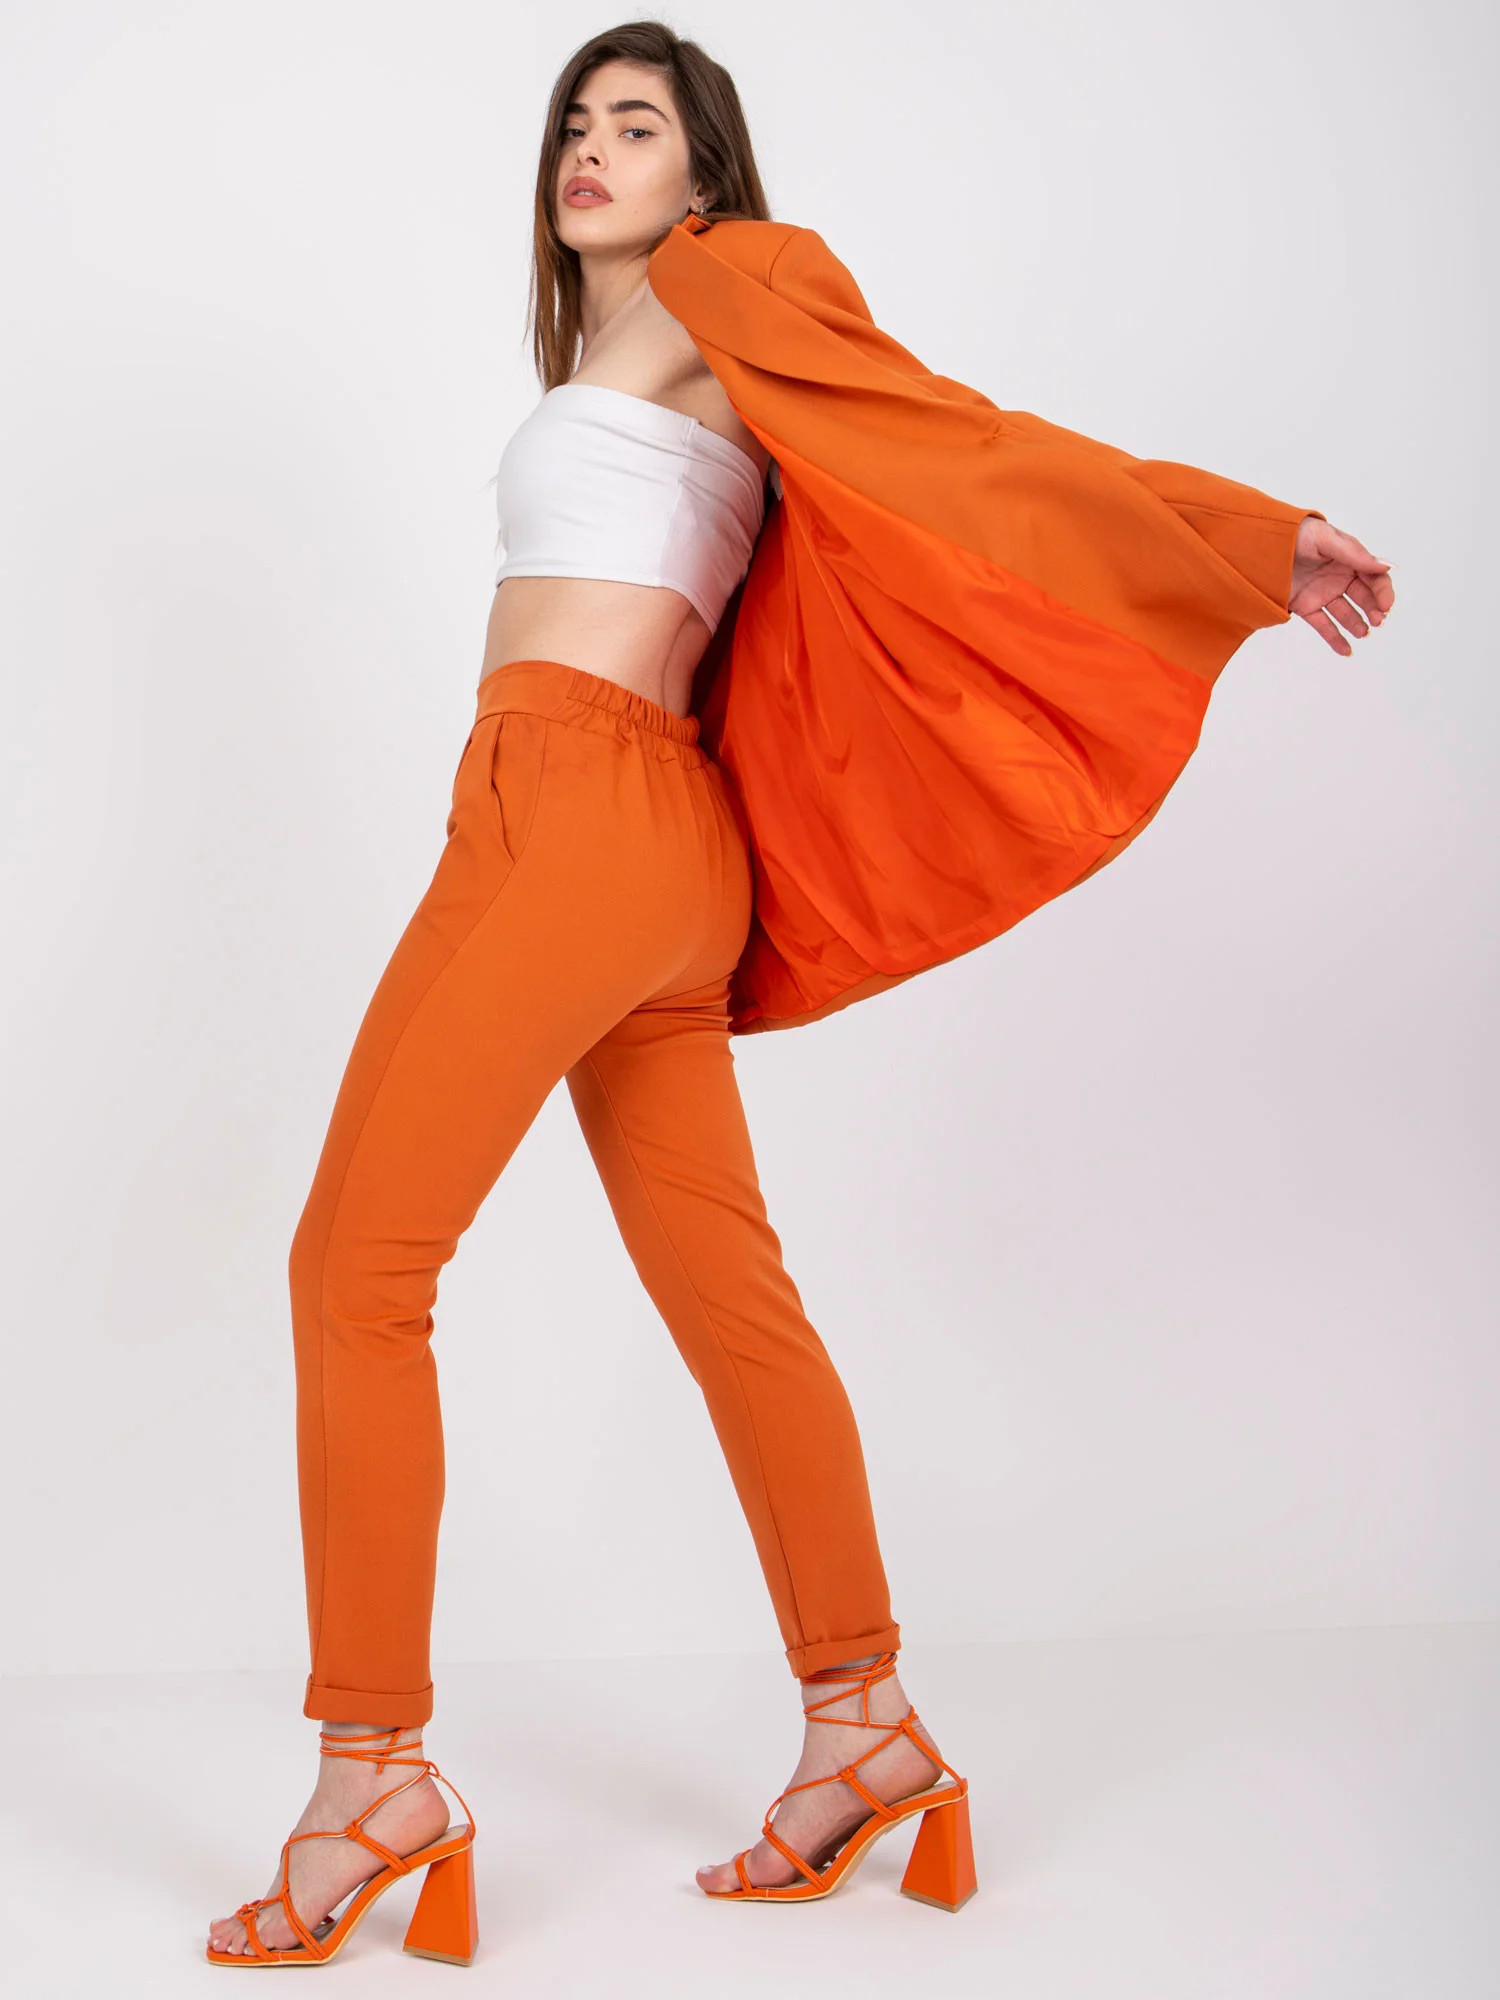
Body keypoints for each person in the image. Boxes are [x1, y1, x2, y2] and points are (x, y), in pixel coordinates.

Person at [207, 20, 1393, 1967]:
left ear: (706, 171)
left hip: (580, 815)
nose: (593, 148)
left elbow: (963, 440)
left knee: (355, 1270)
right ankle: (866, 1726)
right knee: (731, 1302)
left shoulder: (722, 279)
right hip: (624, 840)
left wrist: (1245, 534)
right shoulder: (627, 340)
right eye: (575, 120)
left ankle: (371, 1776)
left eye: (639, 123)